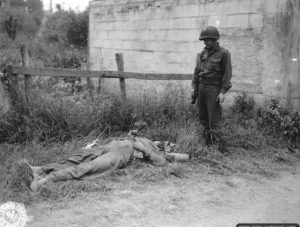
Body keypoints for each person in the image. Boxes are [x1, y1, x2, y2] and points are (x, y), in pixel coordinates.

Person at [18, 133, 188, 191]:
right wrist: (131, 136)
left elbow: (160, 163)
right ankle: (40, 169)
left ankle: (46, 180)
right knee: (78, 157)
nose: (169, 144)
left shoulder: (158, 153)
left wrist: (144, 150)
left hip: (121, 155)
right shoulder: (147, 139)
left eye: (171, 147)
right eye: (169, 142)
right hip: (113, 145)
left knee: (88, 167)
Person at [191, 26, 232, 154]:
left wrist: (222, 92)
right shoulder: (202, 53)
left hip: (214, 89)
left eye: (208, 39)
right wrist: (194, 88)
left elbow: (227, 73)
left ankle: (218, 148)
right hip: (202, 87)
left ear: (215, 39)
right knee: (202, 117)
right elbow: (197, 72)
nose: (205, 42)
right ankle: (206, 144)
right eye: (204, 40)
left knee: (214, 119)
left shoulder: (224, 53)